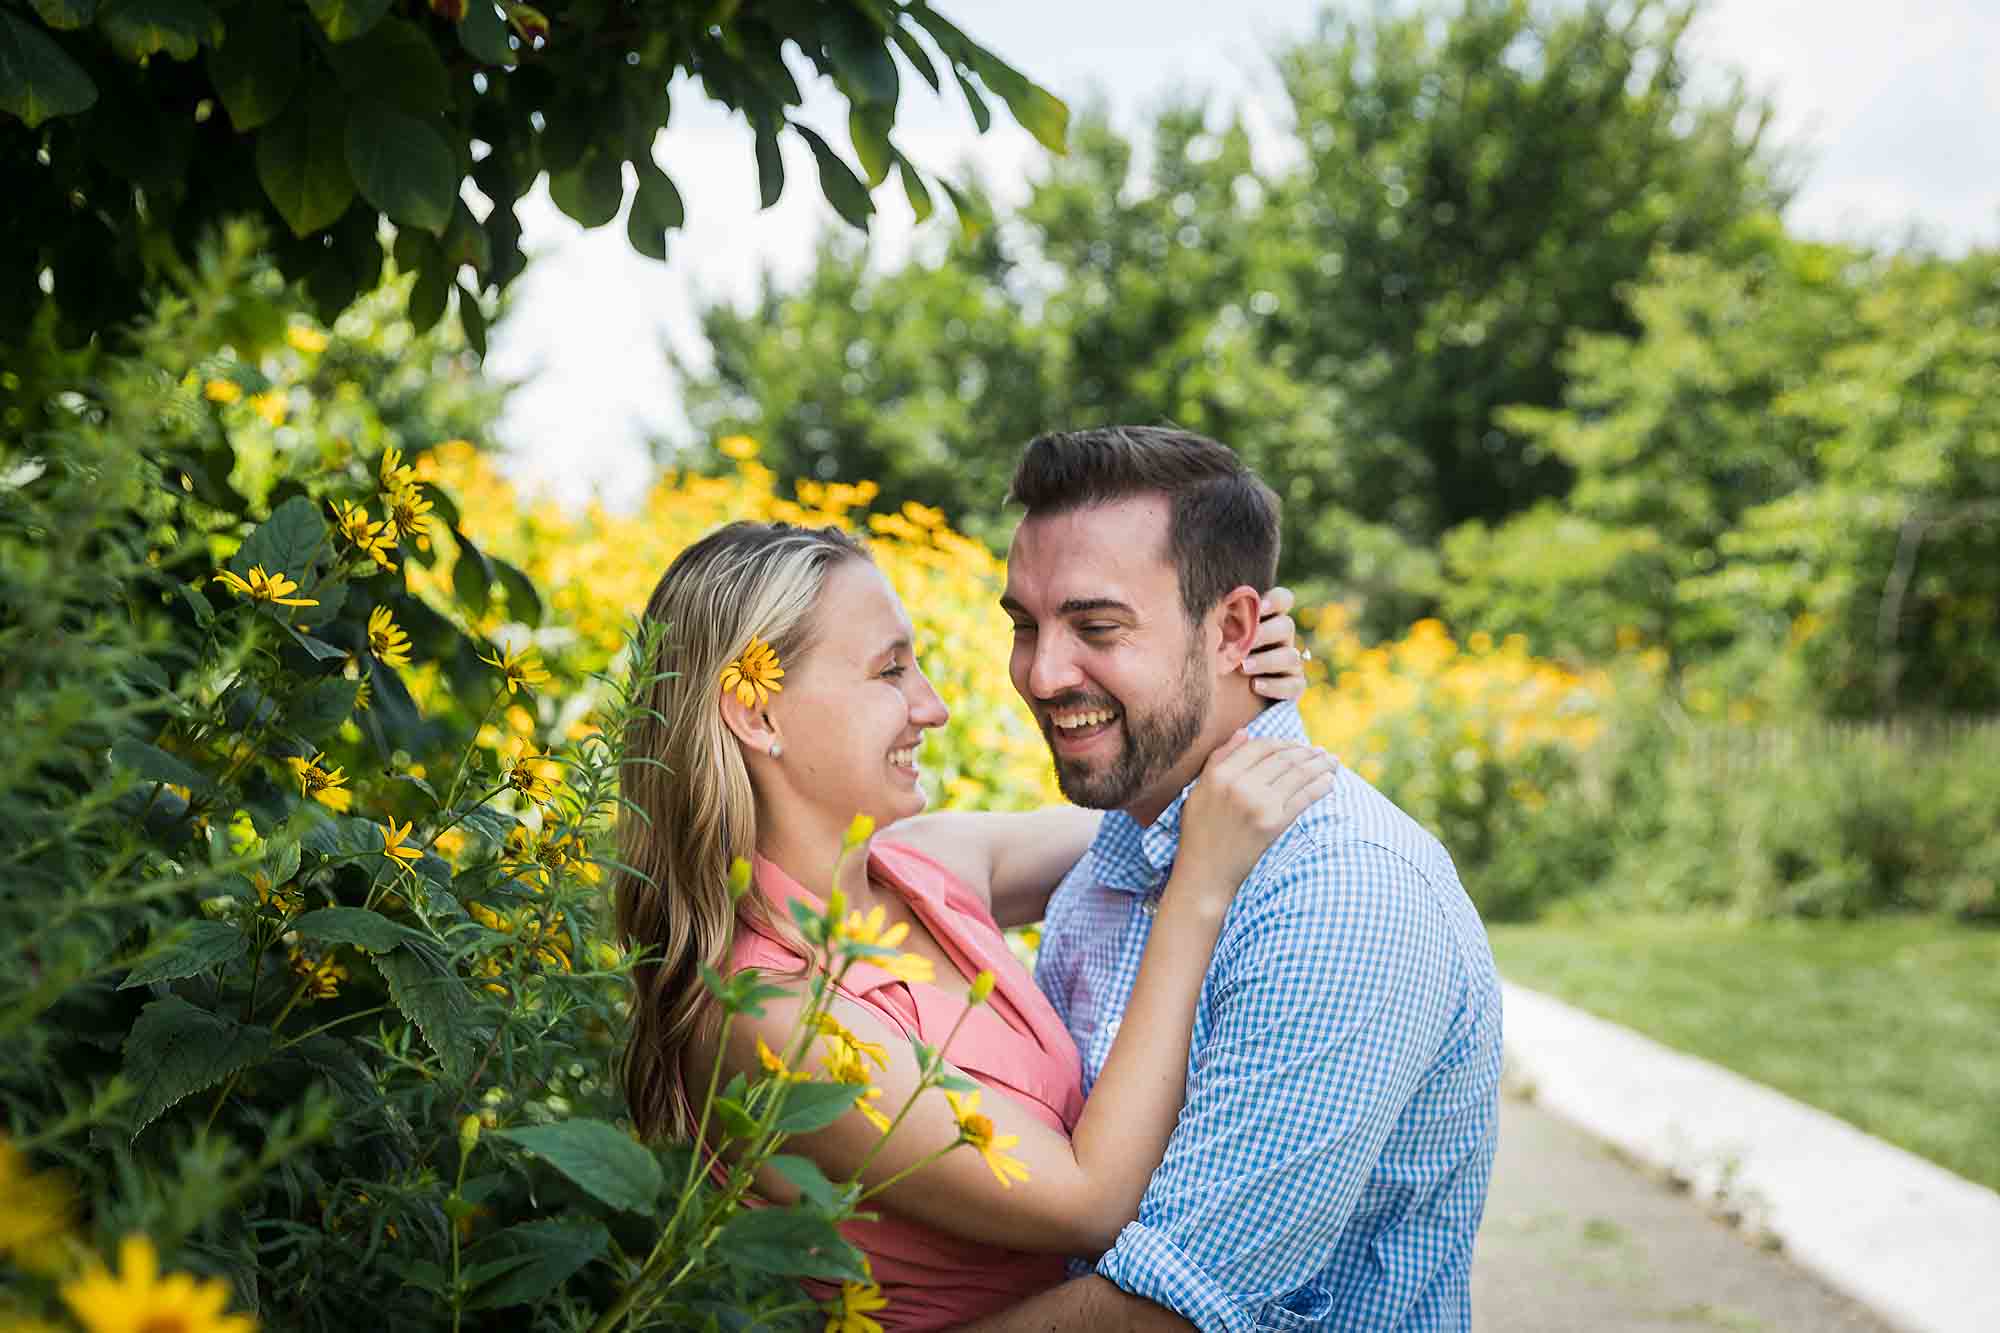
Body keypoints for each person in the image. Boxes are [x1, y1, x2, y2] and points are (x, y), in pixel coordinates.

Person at [614, 519, 1337, 1330]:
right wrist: (1197, 892)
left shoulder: (922, 864)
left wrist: (1228, 673)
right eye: (890, 670)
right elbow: (1089, 1202)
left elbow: (1168, 806)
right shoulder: (769, 1015)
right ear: (756, 712)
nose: (934, 706)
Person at [962, 426, 1504, 1332]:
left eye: (1097, 627)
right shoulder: (1112, 860)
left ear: (1236, 628)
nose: (1042, 673)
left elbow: (1168, 1311)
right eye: (1025, 624)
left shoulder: (1345, 896)